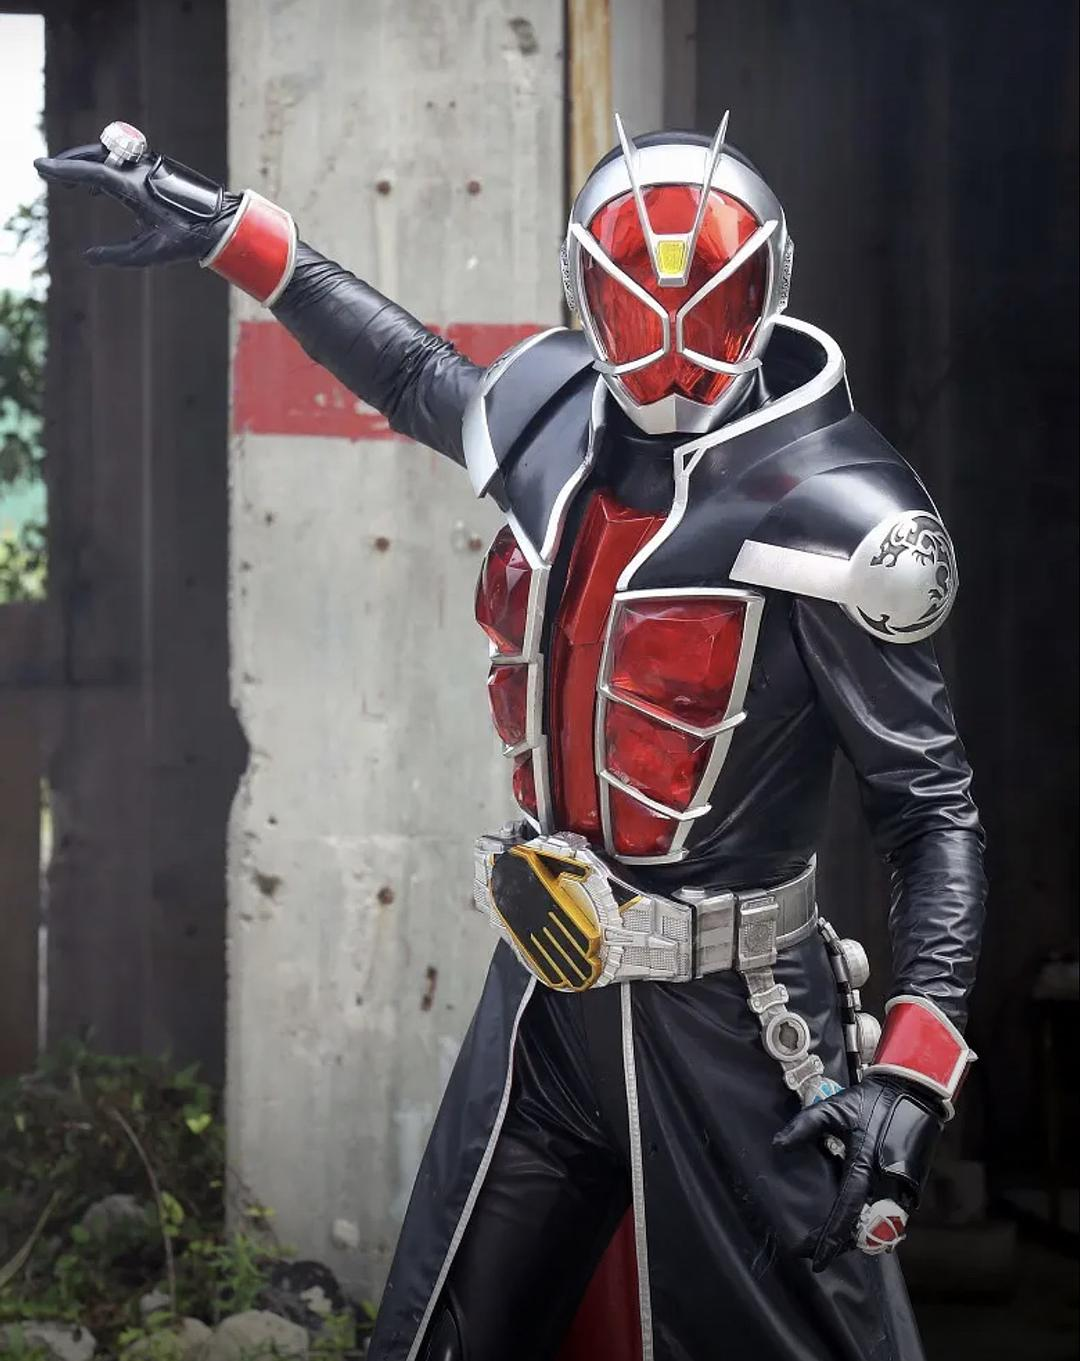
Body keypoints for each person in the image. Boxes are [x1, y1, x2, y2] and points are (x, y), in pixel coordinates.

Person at [37, 113, 986, 1361]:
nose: (670, 354)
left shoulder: (841, 512)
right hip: (547, 986)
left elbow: (930, 808)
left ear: (767, 293)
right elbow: (410, 371)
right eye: (635, 308)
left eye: (707, 307)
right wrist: (230, 231)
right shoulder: (557, 421)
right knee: (441, 1326)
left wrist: (913, 1070)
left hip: (738, 1018)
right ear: (585, 295)